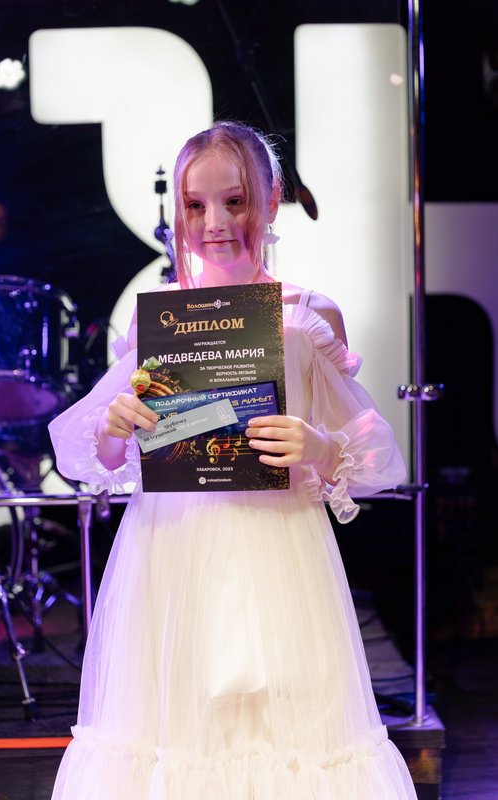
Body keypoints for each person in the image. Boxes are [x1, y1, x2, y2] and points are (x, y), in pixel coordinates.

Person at [49, 121, 417, 798]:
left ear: (271, 201)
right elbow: (101, 454)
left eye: (235, 200)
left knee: (283, 731)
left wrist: (320, 446)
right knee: (172, 733)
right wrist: (114, 426)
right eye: (195, 205)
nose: (214, 222)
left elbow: (372, 454)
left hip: (277, 547)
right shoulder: (158, 320)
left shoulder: (306, 315)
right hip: (170, 547)